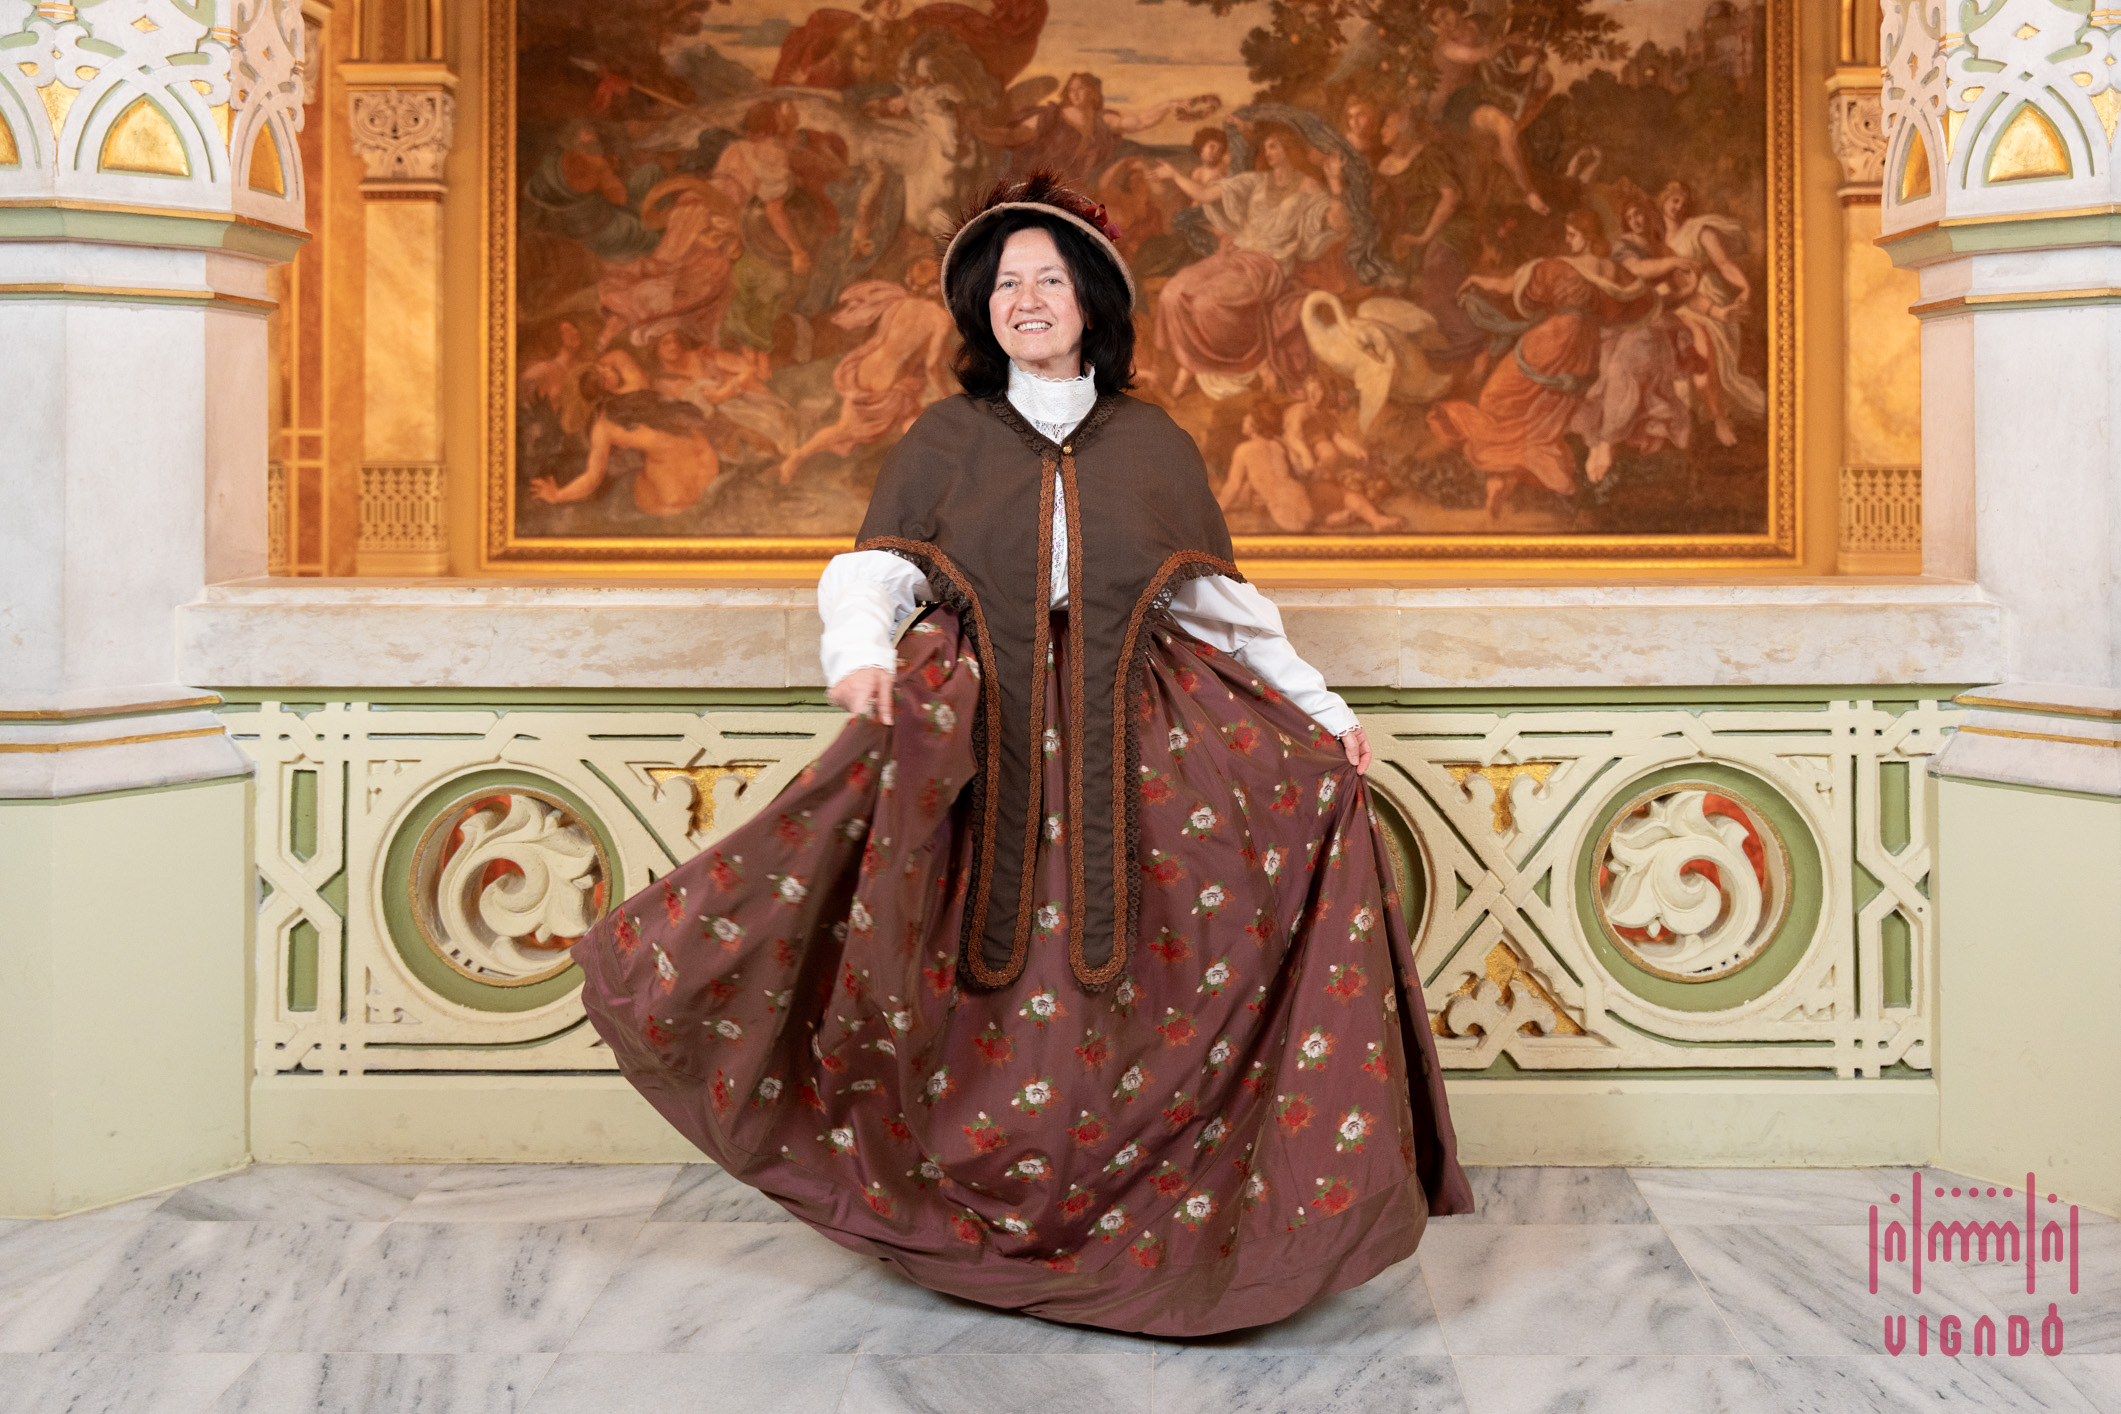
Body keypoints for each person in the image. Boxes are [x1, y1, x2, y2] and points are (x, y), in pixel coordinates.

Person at [569, 171, 1470, 1337]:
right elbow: (874, 571)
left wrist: (1320, 707)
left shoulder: (1154, 444)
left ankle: (1126, 1212)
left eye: (1048, 279)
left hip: (1137, 749)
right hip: (971, 747)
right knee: (941, 958)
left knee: (1147, 968)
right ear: (979, 308)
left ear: (1091, 300)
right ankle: (968, 1198)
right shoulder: (945, 437)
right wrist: (860, 653)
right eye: (1005, 284)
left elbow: (1223, 608)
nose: (1026, 300)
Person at [1427, 209, 1652, 518]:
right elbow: (1642, 300)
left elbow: (1509, 285)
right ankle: (1503, 480)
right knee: (1539, 414)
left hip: (1554, 337)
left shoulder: (1559, 266)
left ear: (1587, 236)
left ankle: (1500, 473)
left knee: (1496, 398)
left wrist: (1478, 279)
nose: (1568, 241)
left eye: (1572, 235)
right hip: (1585, 350)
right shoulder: (1614, 272)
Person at [1151, 125, 1350, 399]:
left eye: (1274, 145)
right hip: (1234, 254)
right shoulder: (1255, 181)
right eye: (1265, 147)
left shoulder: (1308, 186)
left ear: (1289, 148)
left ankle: (1210, 368)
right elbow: (1205, 195)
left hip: (1267, 264)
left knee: (1206, 304)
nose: (1268, 151)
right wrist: (1174, 175)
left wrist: (1336, 184)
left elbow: (1338, 224)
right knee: (1172, 292)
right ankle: (1175, 367)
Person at [776, 256, 956, 484]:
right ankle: (938, 474)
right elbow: (931, 365)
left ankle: (797, 456)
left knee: (847, 427)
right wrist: (944, 395)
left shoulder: (899, 304)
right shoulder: (940, 319)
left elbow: (889, 340)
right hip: (891, 379)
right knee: (909, 418)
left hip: (866, 367)